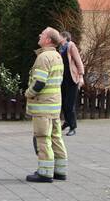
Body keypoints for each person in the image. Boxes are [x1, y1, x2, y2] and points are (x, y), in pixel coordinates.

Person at [24, 27, 68, 183]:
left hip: (43, 106)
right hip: (54, 105)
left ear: (48, 40)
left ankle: (45, 172)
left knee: (43, 138)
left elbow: (39, 83)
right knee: (56, 137)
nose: (39, 35)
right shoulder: (57, 56)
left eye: (42, 34)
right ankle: (60, 170)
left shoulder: (43, 58)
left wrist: (28, 93)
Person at [58, 30, 85, 136]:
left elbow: (78, 61)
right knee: (64, 103)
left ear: (64, 37)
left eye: (60, 36)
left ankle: (73, 127)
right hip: (63, 79)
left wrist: (81, 76)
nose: (58, 38)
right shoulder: (60, 48)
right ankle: (67, 122)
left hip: (73, 79)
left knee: (70, 104)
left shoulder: (71, 46)